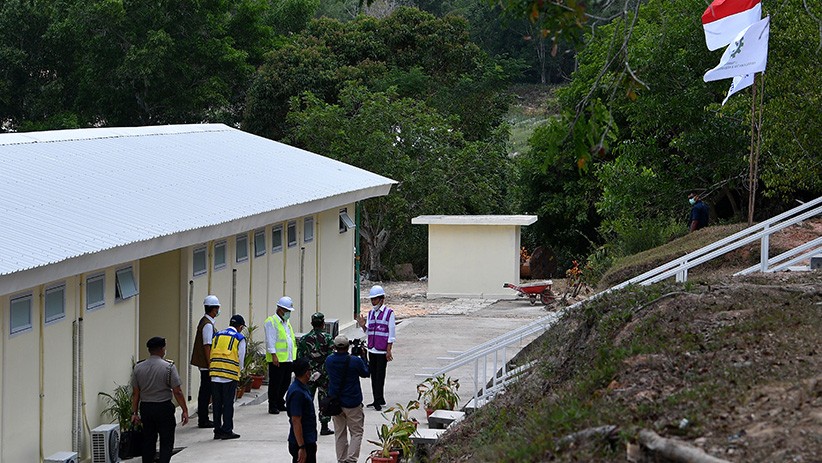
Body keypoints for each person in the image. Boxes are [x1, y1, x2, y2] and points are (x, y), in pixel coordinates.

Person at [131, 336, 189, 463]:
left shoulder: (138, 368)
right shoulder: (168, 367)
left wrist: (134, 413)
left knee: (148, 440)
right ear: (162, 349)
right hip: (163, 408)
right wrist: (184, 409)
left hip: (146, 408)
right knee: (166, 440)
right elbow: (177, 391)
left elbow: (136, 393)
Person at [326, 334, 370, 463]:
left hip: (336, 403)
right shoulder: (354, 361)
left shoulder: (329, 360)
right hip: (352, 402)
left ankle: (341, 459)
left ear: (334, 347)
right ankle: (351, 460)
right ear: (348, 347)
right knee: (356, 433)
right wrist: (363, 357)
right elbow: (366, 373)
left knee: (339, 433)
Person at [357, 284, 395, 411]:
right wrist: (363, 326)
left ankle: (379, 399)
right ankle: (377, 399)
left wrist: (388, 350)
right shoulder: (371, 313)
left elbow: (391, 334)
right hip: (372, 349)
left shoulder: (389, 313)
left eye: (375, 299)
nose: (373, 302)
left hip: (382, 349)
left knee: (380, 375)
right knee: (373, 375)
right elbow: (368, 331)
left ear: (382, 299)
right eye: (372, 299)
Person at [297, 312, 336, 436]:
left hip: (308, 375)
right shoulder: (328, 338)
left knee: (307, 399)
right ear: (323, 324)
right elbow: (331, 358)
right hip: (324, 375)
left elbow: (300, 359)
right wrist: (322, 371)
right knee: (324, 399)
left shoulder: (304, 339)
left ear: (311, 324)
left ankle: (305, 426)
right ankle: (324, 426)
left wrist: (307, 372)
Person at [209, 314, 247, 440]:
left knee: (217, 404)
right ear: (240, 327)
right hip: (229, 375)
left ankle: (217, 430)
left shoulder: (217, 335)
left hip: (215, 374)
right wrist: (239, 371)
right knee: (228, 404)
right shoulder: (239, 337)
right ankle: (227, 430)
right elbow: (241, 358)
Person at [190, 294, 220, 428]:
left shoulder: (205, 321)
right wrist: (210, 364)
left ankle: (203, 418)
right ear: (214, 309)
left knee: (205, 391)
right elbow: (207, 345)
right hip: (206, 365)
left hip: (205, 364)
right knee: (205, 392)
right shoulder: (207, 325)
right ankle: (203, 419)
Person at [265, 296, 297, 414]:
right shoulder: (271, 321)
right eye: (287, 310)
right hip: (277, 359)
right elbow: (270, 339)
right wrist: (274, 355)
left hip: (287, 358)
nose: (288, 313)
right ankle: (272, 404)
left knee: (285, 381)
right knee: (275, 383)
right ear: (280, 309)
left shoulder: (286, 322)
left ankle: (279, 401)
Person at [286, 358, 318, 463]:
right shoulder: (297, 393)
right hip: (302, 441)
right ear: (306, 373)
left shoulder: (302, 387)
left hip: (308, 438)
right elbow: (296, 420)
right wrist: (302, 447)